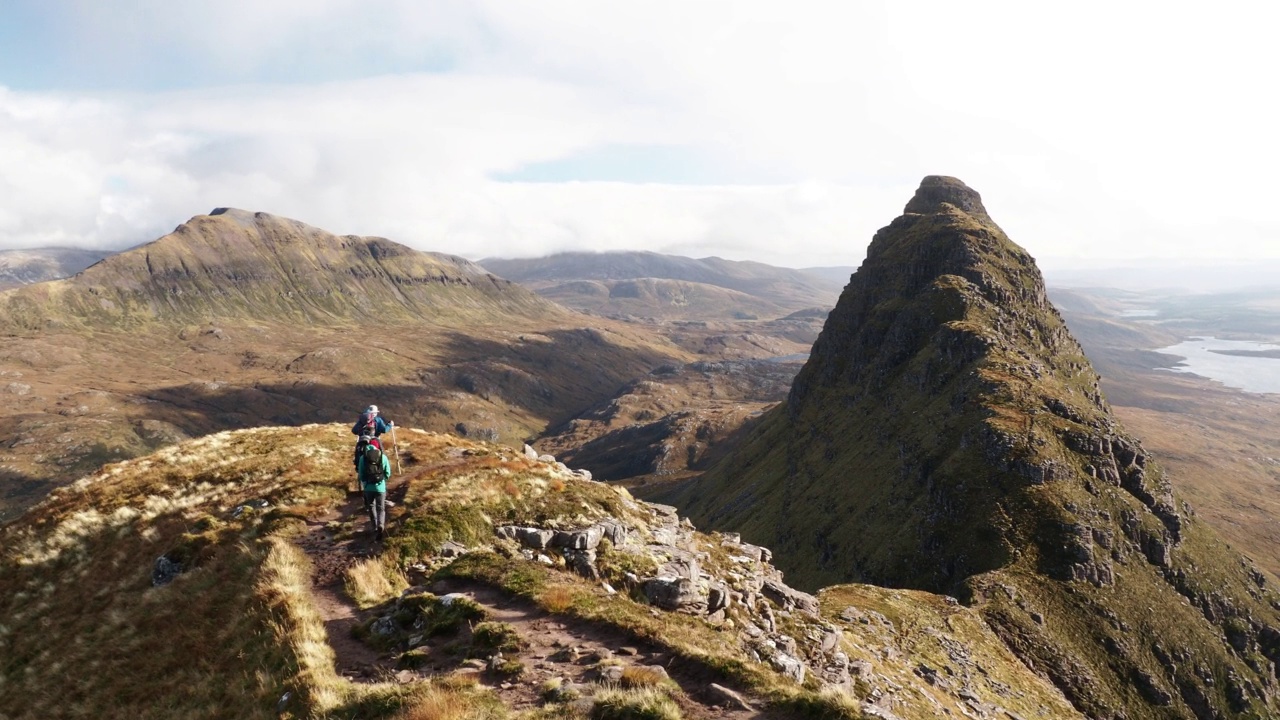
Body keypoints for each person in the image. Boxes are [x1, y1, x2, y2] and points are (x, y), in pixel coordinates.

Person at [357, 443, 391, 540]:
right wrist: (383, 479)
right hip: (380, 487)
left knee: (371, 506)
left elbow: (361, 474)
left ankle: (374, 527)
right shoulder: (382, 456)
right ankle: (381, 524)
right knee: (381, 508)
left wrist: (365, 483)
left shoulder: (363, 458)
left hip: (368, 487)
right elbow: (388, 472)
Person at [351, 405, 393, 476]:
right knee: (381, 452)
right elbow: (384, 430)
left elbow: (354, 431)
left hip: (362, 440)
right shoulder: (378, 420)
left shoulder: (362, 420)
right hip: (375, 440)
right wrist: (390, 425)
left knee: (359, 451)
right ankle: (381, 465)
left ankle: (358, 466)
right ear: (375, 413)